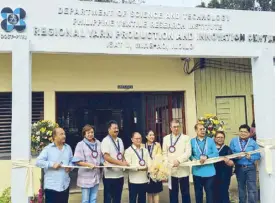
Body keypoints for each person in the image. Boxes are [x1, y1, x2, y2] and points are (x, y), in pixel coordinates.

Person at [36, 127, 73, 203]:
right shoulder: (48, 149)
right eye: (61, 134)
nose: (64, 136)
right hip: (51, 187)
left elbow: (72, 160)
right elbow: (38, 162)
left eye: (64, 134)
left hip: (64, 185)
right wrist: (52, 164)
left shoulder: (68, 148)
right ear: (55, 137)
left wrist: (70, 167)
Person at [230, 124, 261, 203]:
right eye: (241, 131)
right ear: (239, 132)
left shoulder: (253, 142)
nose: (243, 133)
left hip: (250, 167)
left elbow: (258, 154)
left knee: (252, 188)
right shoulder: (233, 141)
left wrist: (251, 157)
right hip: (239, 167)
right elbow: (230, 153)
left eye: (245, 132)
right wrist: (237, 156)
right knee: (241, 188)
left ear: (249, 133)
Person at [162, 119, 192, 203]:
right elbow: (164, 153)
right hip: (171, 170)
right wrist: (167, 162)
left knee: (185, 192)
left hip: (183, 169)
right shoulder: (166, 138)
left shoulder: (186, 138)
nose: (176, 129)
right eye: (174, 127)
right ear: (170, 128)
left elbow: (188, 152)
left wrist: (179, 160)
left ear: (180, 127)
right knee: (173, 193)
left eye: (178, 127)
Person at [72, 124, 103, 203]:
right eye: (88, 133)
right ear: (84, 134)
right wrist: (88, 165)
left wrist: (105, 163)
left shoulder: (98, 143)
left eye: (92, 132)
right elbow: (77, 161)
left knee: (93, 199)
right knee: (85, 200)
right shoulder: (80, 144)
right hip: (85, 176)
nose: (90, 134)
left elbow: (102, 157)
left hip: (96, 175)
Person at [101, 120, 129, 203]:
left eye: (117, 128)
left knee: (117, 198)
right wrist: (121, 163)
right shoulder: (105, 141)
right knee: (108, 199)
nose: (116, 130)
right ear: (109, 129)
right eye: (114, 128)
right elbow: (106, 157)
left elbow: (122, 154)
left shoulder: (120, 140)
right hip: (109, 175)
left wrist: (124, 162)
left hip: (119, 175)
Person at [191, 123, 219, 203]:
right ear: (196, 130)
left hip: (209, 172)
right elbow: (190, 155)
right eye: (200, 129)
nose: (203, 131)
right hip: (197, 172)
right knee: (198, 194)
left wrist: (207, 156)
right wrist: (195, 159)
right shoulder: (192, 141)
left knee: (210, 194)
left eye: (204, 129)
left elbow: (216, 153)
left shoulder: (210, 140)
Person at [125, 132, 151, 203]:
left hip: (144, 179)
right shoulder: (128, 151)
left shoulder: (145, 150)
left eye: (140, 138)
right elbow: (128, 165)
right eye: (136, 138)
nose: (138, 140)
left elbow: (149, 162)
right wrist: (139, 168)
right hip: (133, 180)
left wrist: (149, 168)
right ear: (132, 139)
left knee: (142, 200)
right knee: (132, 200)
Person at [213, 131, 234, 203]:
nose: (220, 139)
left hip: (224, 174)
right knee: (214, 192)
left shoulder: (227, 148)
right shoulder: (211, 149)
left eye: (222, 137)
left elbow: (232, 163)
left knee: (224, 191)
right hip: (213, 174)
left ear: (224, 138)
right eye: (218, 137)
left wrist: (228, 161)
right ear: (215, 138)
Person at [144, 130, 163, 203]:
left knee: (156, 191)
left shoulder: (157, 145)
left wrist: (156, 168)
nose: (152, 136)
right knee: (149, 192)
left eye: (153, 135)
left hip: (156, 171)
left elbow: (159, 156)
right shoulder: (143, 145)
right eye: (150, 135)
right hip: (147, 171)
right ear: (146, 136)